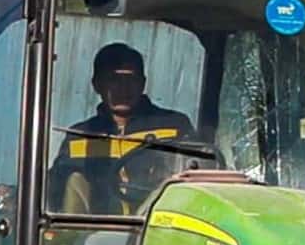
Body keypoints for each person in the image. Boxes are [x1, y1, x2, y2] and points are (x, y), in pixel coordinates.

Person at [49, 41, 206, 217]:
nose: (123, 88)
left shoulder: (174, 127)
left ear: (143, 83)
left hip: (155, 232)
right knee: (74, 181)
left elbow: (195, 184)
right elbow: (55, 193)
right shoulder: (78, 138)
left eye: (131, 79)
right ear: (96, 84)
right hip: (90, 235)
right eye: (114, 79)